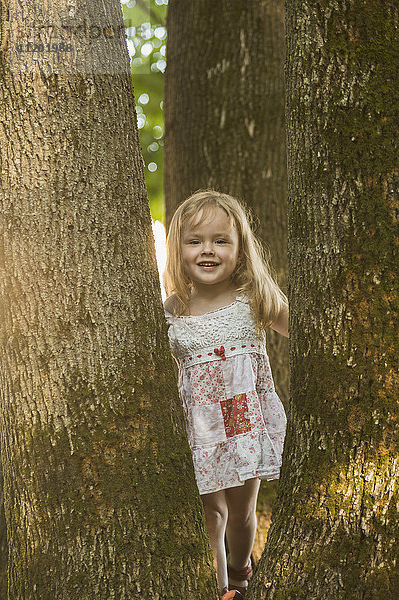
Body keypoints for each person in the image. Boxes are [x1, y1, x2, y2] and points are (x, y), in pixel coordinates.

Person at [163, 190, 288, 599]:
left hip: (242, 420)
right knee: (210, 513)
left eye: (220, 241)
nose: (208, 251)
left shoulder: (255, 300)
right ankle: (223, 589)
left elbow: (316, 332)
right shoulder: (172, 310)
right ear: (178, 249)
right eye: (194, 241)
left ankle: (239, 568)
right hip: (197, 424)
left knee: (240, 513)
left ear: (240, 248)